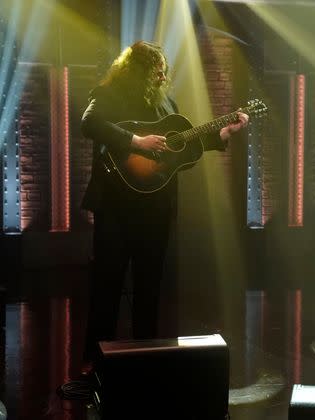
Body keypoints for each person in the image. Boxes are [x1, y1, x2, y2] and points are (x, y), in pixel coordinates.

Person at [80, 41, 248, 368]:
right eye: (156, 69)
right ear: (139, 70)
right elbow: (90, 123)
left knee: (150, 287)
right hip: (115, 204)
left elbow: (182, 143)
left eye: (164, 70)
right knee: (107, 285)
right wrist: (136, 141)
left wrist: (223, 132)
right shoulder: (110, 93)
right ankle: (93, 363)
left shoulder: (167, 103)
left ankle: (147, 360)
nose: (162, 75)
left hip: (155, 206)